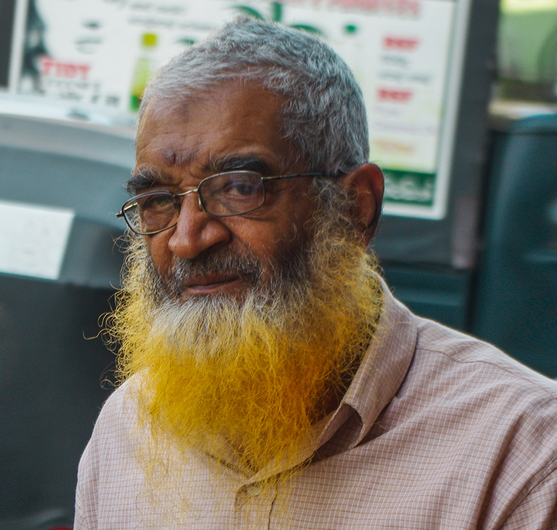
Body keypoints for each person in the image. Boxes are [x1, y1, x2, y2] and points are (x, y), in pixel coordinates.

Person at [74, 17, 557, 529]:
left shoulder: (521, 454)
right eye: (157, 200)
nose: (187, 240)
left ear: (354, 207)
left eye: (239, 188)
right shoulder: (128, 427)